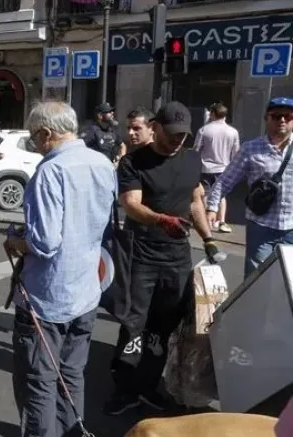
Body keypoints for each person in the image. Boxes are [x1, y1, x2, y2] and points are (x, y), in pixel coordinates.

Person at [0, 102, 117, 437]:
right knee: (72, 381)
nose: (35, 144)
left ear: (47, 134)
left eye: (35, 137)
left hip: (47, 297)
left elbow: (45, 243)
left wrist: (16, 241)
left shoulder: (51, 170)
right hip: (85, 289)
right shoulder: (102, 162)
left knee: (39, 384)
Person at [105, 102, 221, 416]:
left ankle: (148, 385)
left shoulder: (192, 160)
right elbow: (131, 204)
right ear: (156, 127)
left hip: (177, 258)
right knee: (134, 324)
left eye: (183, 134)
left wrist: (208, 238)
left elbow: (195, 200)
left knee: (164, 326)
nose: (177, 140)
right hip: (141, 255)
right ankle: (124, 388)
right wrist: (160, 220)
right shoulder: (134, 162)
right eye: (171, 133)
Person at [207, 97, 293, 277]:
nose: (282, 120)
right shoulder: (251, 149)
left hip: (292, 227)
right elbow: (225, 180)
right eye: (276, 116)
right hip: (261, 227)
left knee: (288, 281)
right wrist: (212, 207)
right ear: (266, 119)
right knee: (257, 279)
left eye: (288, 116)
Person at [193, 102, 240, 233]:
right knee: (221, 195)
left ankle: (207, 221)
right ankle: (222, 221)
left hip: (205, 168)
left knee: (206, 194)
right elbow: (236, 153)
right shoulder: (233, 132)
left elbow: (196, 149)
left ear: (213, 113)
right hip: (224, 168)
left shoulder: (204, 130)